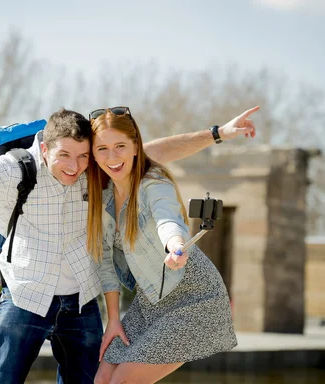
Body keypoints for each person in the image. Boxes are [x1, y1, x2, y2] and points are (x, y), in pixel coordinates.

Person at [0, 107, 257, 384]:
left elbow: (155, 165)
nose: (76, 166)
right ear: (44, 148)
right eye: (66, 156)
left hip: (84, 298)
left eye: (84, 157)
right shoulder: (16, 170)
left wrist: (218, 133)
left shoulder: (99, 170)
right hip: (27, 294)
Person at [87, 106, 257, 383]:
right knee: (102, 378)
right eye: (102, 149)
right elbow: (104, 262)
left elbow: (168, 218)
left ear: (135, 147)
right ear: (93, 154)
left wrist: (176, 245)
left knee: (124, 380)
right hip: (150, 301)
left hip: (194, 297)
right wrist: (114, 319)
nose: (112, 156)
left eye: (120, 146)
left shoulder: (153, 182)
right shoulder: (102, 196)